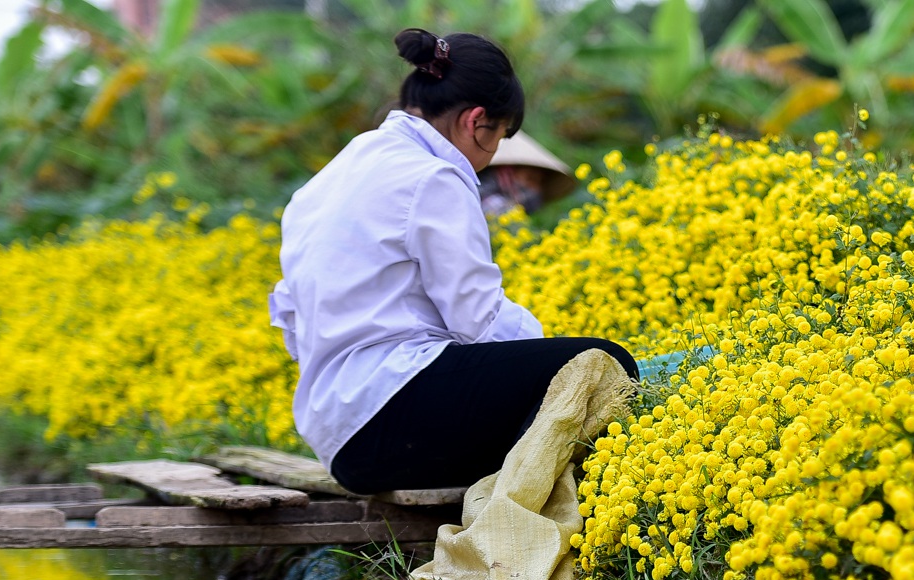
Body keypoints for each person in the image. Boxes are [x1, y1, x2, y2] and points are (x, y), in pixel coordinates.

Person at [268, 29, 637, 495]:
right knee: (602, 363)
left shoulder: (328, 179)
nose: (490, 156)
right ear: (476, 120)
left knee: (563, 378)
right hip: (389, 416)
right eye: (498, 137)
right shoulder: (433, 176)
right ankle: (556, 503)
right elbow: (476, 320)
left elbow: (293, 324)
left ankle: (525, 483)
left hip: (338, 438)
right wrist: (547, 347)